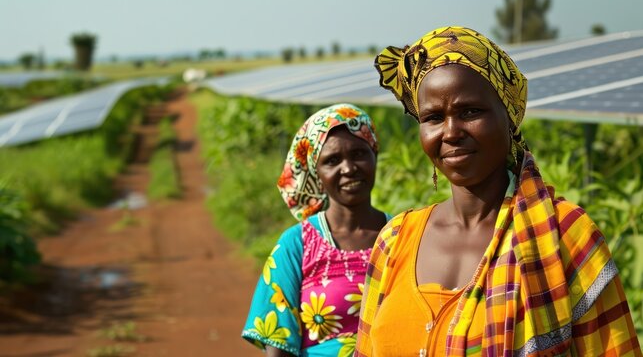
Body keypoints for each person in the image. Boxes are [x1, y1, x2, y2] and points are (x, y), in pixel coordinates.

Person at [355, 26, 641, 356]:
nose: (451, 132)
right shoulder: (394, 240)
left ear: (508, 116)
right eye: (433, 117)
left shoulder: (566, 236)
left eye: (470, 112)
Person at [242, 103, 391, 356]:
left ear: (374, 154)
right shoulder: (296, 244)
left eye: (358, 153)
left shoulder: (403, 235)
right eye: (332, 160)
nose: (349, 168)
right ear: (316, 171)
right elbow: (278, 342)